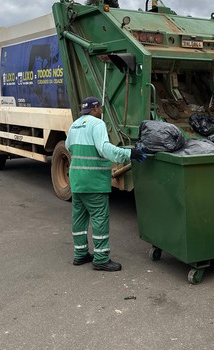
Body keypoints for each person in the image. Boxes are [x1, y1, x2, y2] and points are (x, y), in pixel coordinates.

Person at [65, 96, 146, 272]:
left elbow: (68, 146)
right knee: (100, 218)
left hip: (76, 179)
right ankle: (101, 258)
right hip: (93, 180)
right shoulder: (97, 124)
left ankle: (80, 254)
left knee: (79, 218)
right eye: (100, 108)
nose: (101, 111)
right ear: (94, 109)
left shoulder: (74, 125)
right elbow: (104, 148)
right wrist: (129, 153)